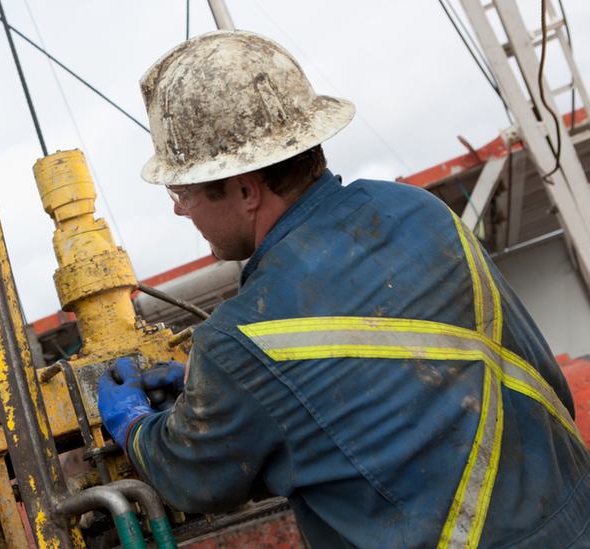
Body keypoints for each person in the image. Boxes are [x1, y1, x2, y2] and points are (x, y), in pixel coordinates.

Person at [96, 30, 590, 548]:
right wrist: (220, 397)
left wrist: (134, 426)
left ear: (245, 190)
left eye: (183, 191)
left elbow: (190, 475)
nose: (179, 209)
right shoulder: (420, 210)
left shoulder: (239, 341)